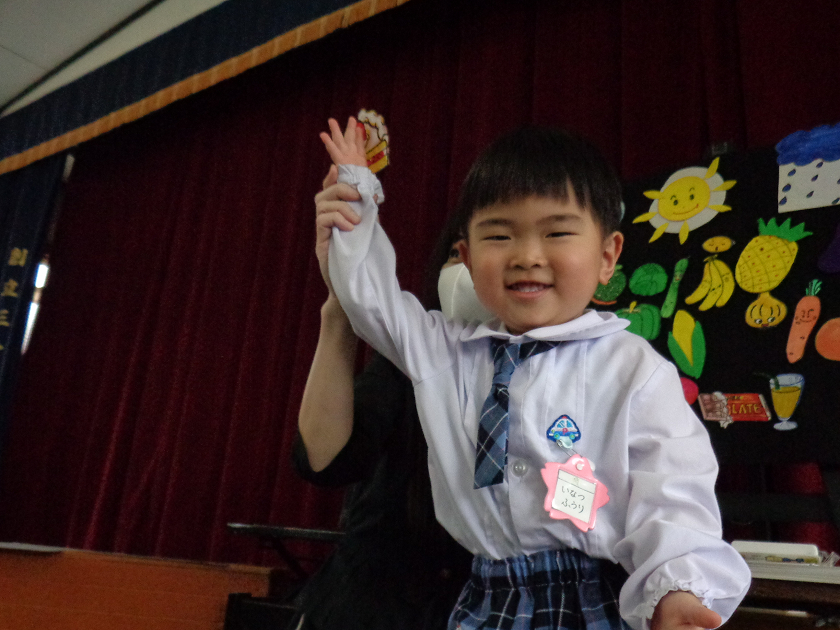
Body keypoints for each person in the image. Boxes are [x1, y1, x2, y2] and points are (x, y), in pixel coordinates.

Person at [316, 118, 751, 630]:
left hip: (595, 596)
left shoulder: (634, 368)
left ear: (607, 256)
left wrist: (677, 588)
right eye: (499, 235)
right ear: (466, 258)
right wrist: (355, 201)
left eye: (557, 232)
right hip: (484, 598)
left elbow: (672, 491)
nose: (526, 256)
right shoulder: (443, 353)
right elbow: (369, 301)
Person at [291, 166, 475, 630]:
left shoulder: (570, 372)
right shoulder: (411, 358)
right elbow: (325, 459)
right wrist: (340, 306)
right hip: (369, 607)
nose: (467, 270)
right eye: (455, 254)